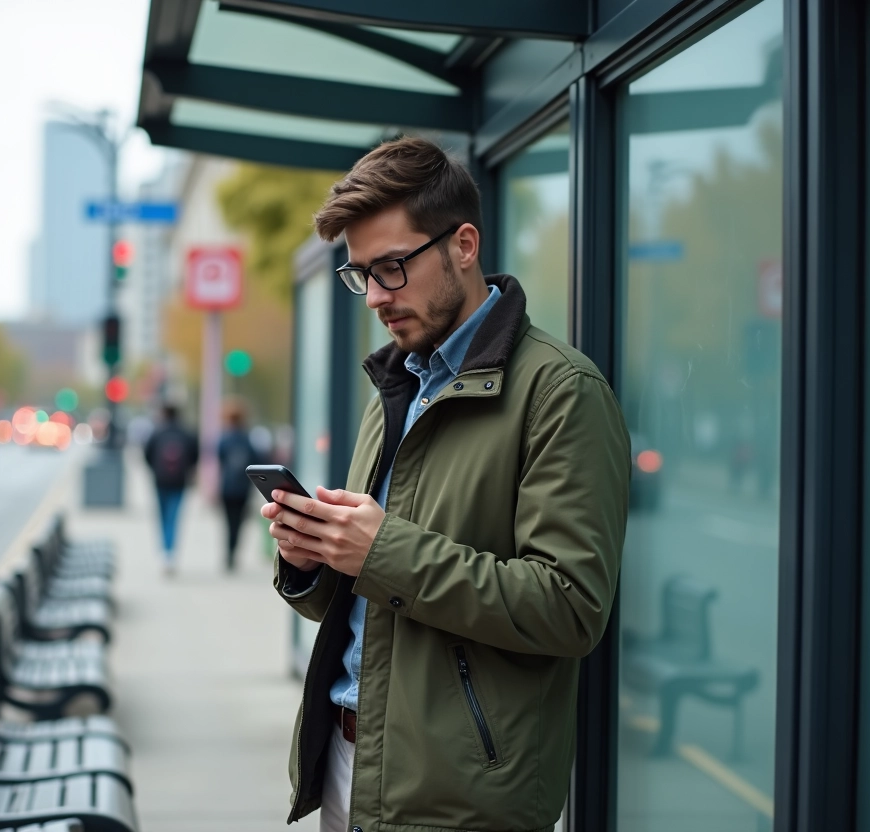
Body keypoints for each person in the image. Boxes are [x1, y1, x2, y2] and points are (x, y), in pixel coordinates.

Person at [261, 137, 631, 832]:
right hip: (347, 766)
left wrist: (378, 551)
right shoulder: (397, 385)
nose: (374, 296)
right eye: (361, 275)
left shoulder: (561, 391)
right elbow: (378, 607)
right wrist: (314, 560)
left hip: (460, 799)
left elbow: (570, 606)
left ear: (464, 245)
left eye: (393, 268)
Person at [143, 404, 199, 575]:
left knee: (162, 515)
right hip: (179, 481)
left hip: (160, 480)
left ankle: (165, 552)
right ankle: (171, 552)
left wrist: (155, 470)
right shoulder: (187, 433)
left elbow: (146, 454)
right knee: (174, 516)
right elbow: (195, 456)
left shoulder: (156, 432)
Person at [217, 400, 261, 572]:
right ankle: (234, 551)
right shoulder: (247, 440)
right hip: (243, 488)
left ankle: (228, 552)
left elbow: (220, 460)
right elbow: (256, 462)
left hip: (227, 487)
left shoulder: (224, 439)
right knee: (239, 522)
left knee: (228, 521)